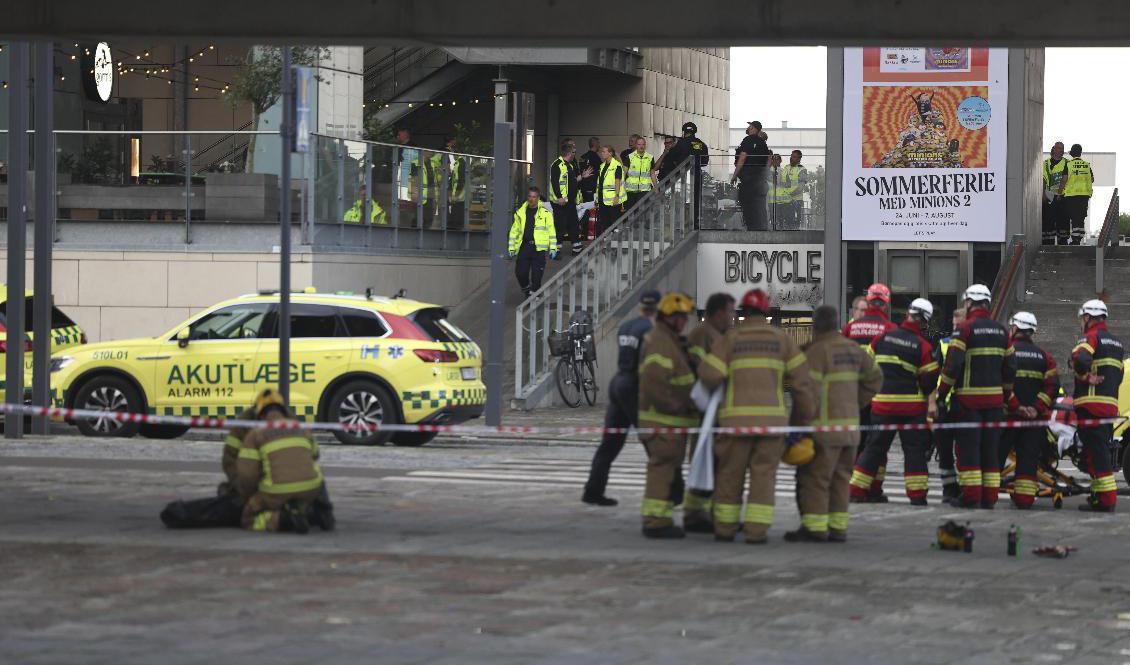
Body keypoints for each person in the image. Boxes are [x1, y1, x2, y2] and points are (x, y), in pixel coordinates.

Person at [697, 289, 817, 544]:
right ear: (766, 312)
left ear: (744, 311)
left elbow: (709, 375)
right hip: (772, 426)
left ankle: (725, 529)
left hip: (735, 424)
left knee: (730, 476)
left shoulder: (730, 339)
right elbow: (803, 385)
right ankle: (756, 532)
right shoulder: (783, 340)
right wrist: (801, 423)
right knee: (763, 478)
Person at [787, 305, 882, 542]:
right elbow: (876, 378)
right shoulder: (853, 349)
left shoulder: (816, 352)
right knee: (841, 479)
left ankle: (815, 528)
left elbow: (805, 395)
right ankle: (838, 528)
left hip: (824, 430)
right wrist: (856, 403)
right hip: (850, 429)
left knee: (816, 479)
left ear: (816, 325)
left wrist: (798, 427)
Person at [850, 298, 939, 505]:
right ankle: (917, 496)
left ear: (907, 315)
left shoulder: (882, 338)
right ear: (925, 322)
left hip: (882, 406)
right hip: (911, 410)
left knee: (873, 449)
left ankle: (856, 490)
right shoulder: (923, 346)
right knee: (914, 452)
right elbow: (929, 380)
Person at [935, 284, 1015, 509]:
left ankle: (971, 497)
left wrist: (942, 394)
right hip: (995, 405)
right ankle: (989, 498)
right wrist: (1005, 395)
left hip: (968, 403)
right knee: (990, 452)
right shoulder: (1002, 331)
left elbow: (953, 365)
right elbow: (1010, 367)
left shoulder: (964, 329)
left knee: (968, 451)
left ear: (969, 303)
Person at [583, 290, 660, 506]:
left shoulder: (626, 326)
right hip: (634, 386)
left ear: (641, 306)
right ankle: (670, 489)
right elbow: (648, 364)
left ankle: (593, 491)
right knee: (652, 440)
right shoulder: (651, 330)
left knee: (609, 443)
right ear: (657, 308)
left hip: (618, 383)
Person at [636, 292, 699, 538]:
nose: (684, 322)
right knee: (661, 472)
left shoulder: (670, 340)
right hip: (663, 422)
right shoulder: (661, 342)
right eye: (680, 317)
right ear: (668, 317)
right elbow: (654, 382)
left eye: (685, 317)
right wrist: (674, 406)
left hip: (670, 423)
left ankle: (659, 518)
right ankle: (655, 521)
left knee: (666, 472)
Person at [235, 389, 330, 533]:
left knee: (248, 518)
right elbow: (315, 455)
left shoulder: (255, 434)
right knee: (316, 472)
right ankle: (318, 513)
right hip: (311, 489)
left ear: (260, 415)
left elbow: (247, 475)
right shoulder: (300, 428)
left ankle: (284, 519)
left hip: (276, 492)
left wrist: (251, 496)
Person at [681, 292, 736, 532]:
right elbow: (702, 370)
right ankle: (695, 513)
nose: (733, 316)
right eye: (731, 311)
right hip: (706, 409)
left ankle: (706, 512)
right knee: (705, 460)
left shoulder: (719, 335)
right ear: (719, 312)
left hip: (715, 409)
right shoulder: (702, 335)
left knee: (713, 462)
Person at [841, 283, 897, 500]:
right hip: (878, 396)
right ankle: (874, 488)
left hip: (853, 395)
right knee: (876, 445)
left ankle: (853, 485)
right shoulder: (890, 329)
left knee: (855, 442)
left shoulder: (850, 329)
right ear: (886, 304)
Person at [999, 311, 1058, 509]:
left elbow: (1001, 383)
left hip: (1008, 418)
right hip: (1034, 421)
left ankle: (986, 497)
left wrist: (1017, 407)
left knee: (995, 459)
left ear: (1015, 328)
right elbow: (1052, 386)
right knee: (1028, 463)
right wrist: (1035, 408)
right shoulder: (1044, 356)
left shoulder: (1006, 353)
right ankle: (1024, 500)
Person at [1072, 299, 1124, 512]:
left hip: (1090, 406)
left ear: (1088, 317)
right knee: (1097, 453)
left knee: (1098, 456)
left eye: (1082, 319)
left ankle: (1106, 500)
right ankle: (1098, 498)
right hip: (1108, 407)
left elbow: (1080, 357)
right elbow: (1119, 375)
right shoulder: (1117, 343)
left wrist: (1085, 376)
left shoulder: (1090, 337)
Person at [931, 305, 967, 500]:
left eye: (958, 325)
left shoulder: (972, 343)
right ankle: (949, 488)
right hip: (945, 404)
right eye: (954, 325)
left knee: (964, 451)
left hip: (962, 404)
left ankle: (964, 488)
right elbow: (933, 372)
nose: (956, 329)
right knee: (944, 452)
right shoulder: (944, 344)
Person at [508, 186, 558, 298]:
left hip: (538, 249)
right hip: (524, 247)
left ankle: (534, 297)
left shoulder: (546, 213)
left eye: (534, 197)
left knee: (536, 277)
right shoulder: (521, 212)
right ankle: (527, 290)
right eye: (530, 196)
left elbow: (551, 232)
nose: (531, 199)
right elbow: (514, 231)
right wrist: (511, 247)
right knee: (520, 273)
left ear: (538, 198)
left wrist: (553, 248)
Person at [549, 142, 589, 255]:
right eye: (574, 152)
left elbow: (572, 182)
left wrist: (582, 177)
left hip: (570, 201)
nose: (575, 154)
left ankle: (577, 247)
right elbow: (555, 183)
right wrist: (559, 197)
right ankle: (556, 250)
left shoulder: (569, 166)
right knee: (560, 225)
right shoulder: (557, 165)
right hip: (560, 202)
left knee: (573, 224)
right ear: (569, 153)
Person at [731, 120, 771, 231]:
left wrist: (735, 175)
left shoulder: (748, 140)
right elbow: (769, 159)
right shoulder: (763, 143)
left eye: (749, 126)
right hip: (760, 181)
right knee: (760, 206)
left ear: (753, 128)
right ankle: (761, 229)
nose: (748, 128)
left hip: (748, 180)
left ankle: (751, 230)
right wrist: (764, 174)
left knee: (748, 205)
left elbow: (742, 157)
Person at [430, 136, 466, 229]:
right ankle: (446, 224)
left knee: (443, 207)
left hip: (444, 188)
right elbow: (451, 175)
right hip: (447, 188)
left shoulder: (439, 153)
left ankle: (445, 224)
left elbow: (458, 180)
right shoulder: (446, 154)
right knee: (447, 208)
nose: (452, 154)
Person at [1060, 144, 1094, 246]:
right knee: (1081, 217)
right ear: (1080, 153)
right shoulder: (1086, 165)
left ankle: (1075, 239)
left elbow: (1064, 179)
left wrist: (1060, 192)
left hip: (1072, 195)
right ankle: (1078, 238)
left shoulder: (1069, 164)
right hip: (1084, 195)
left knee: (1074, 217)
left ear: (1072, 154)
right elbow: (1092, 179)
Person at [595, 145, 626, 235]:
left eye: (604, 151)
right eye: (602, 151)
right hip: (602, 198)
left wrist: (617, 195)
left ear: (610, 153)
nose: (602, 153)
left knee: (613, 222)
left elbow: (617, 181)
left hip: (612, 199)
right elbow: (600, 183)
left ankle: (614, 239)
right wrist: (597, 197)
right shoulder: (602, 166)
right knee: (604, 221)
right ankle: (606, 238)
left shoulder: (616, 165)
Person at [1041, 142, 1068, 245]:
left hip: (1063, 196)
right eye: (1059, 148)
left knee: (1063, 220)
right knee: (1048, 219)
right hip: (1049, 195)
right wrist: (1043, 194)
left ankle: (1063, 241)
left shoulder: (1067, 163)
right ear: (1054, 149)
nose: (1061, 150)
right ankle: (1048, 242)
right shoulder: (1045, 163)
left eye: (1062, 148)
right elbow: (1043, 179)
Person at [624, 136, 657, 211]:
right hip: (631, 190)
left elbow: (652, 173)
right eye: (639, 144)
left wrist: (656, 187)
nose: (641, 146)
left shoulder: (650, 157)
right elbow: (624, 173)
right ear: (636, 145)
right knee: (630, 211)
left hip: (644, 190)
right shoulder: (629, 157)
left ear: (645, 145)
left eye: (643, 144)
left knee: (643, 211)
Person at [782, 150, 808, 229]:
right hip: (785, 201)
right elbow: (781, 182)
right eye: (791, 156)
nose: (791, 158)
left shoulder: (802, 169)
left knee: (794, 225)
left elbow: (800, 187)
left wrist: (789, 195)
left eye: (794, 157)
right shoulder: (786, 167)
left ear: (799, 159)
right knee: (785, 224)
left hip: (796, 201)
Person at [768, 154, 793, 230]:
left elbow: (789, 184)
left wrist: (780, 183)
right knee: (777, 219)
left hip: (778, 199)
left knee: (777, 219)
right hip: (775, 199)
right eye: (774, 160)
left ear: (780, 160)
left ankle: (777, 229)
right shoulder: (771, 171)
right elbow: (788, 184)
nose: (776, 161)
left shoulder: (782, 171)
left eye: (777, 159)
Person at [578, 137, 602, 203]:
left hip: (583, 187)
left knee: (585, 205)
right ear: (595, 144)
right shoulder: (595, 157)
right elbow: (601, 169)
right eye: (599, 143)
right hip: (592, 187)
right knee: (592, 205)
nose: (600, 146)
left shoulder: (582, 157)